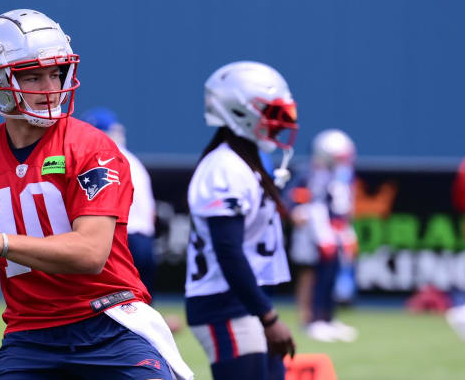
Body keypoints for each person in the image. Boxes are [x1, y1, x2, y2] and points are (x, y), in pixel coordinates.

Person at [0, 9, 192, 380]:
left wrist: (0, 242)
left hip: (109, 320)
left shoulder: (92, 147)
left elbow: (91, 253)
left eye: (55, 73)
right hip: (30, 335)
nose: (50, 87)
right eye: (32, 76)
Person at [185, 61, 297, 380]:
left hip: (244, 302)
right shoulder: (225, 168)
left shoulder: (245, 162)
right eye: (271, 112)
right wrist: (269, 317)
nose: (280, 122)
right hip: (224, 304)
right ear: (238, 110)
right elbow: (229, 252)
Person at [81, 107, 183, 333]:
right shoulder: (133, 161)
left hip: (123, 240)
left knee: (116, 309)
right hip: (143, 239)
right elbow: (152, 211)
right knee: (141, 307)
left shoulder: (104, 159)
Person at [288, 129, 359, 343]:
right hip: (312, 236)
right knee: (312, 276)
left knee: (332, 276)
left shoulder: (341, 177)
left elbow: (340, 209)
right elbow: (301, 204)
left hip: (332, 234)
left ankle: (327, 318)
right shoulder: (309, 174)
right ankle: (312, 320)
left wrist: (345, 233)